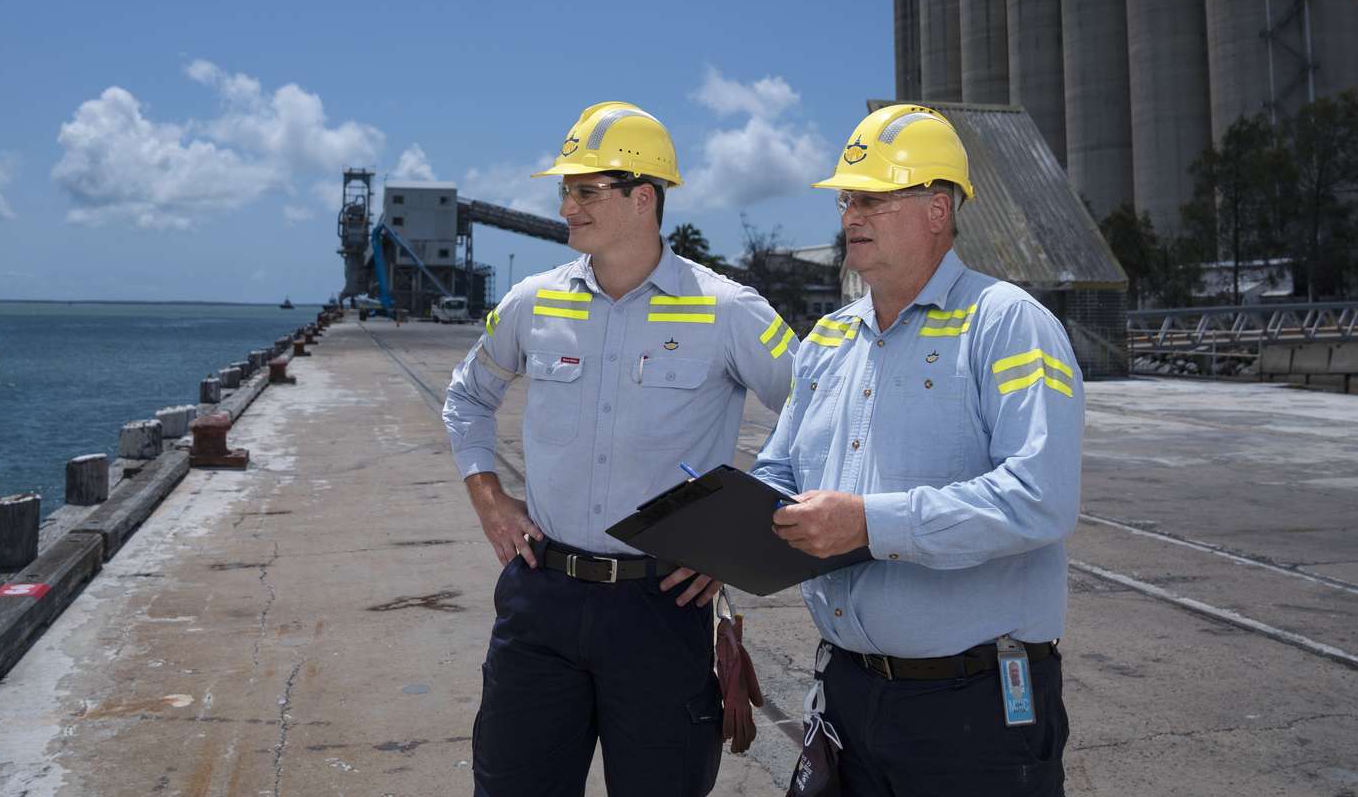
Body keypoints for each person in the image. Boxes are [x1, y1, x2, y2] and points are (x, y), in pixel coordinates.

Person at [443, 100, 798, 796]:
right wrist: (488, 497)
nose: (568, 206)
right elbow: (467, 397)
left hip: (660, 609)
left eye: (586, 190)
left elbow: (818, 418)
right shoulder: (533, 302)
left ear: (643, 199)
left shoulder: (728, 310)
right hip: (540, 600)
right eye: (565, 191)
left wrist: (736, 542)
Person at [752, 103, 1082, 796]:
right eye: (848, 199)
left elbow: (1039, 498)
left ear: (938, 209)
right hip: (846, 692)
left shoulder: (1009, 325)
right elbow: (779, 470)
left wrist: (871, 522)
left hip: (975, 708)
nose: (852, 215)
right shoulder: (829, 340)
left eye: (873, 198)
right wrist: (738, 518)